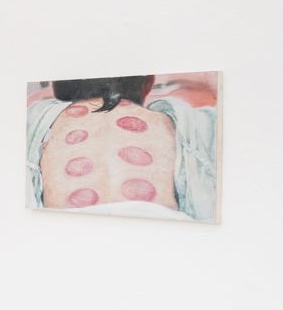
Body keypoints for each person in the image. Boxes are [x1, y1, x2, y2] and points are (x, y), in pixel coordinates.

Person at [26, 74, 219, 220]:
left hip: (63, 228)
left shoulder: (35, 121)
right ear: (147, 85)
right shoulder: (191, 123)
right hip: (159, 226)